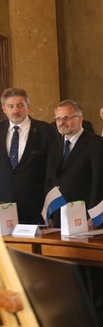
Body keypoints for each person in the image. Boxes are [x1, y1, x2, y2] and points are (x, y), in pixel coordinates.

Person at [46, 99, 103, 326]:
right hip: (60, 216)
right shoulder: (55, 145)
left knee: (93, 267)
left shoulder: (96, 143)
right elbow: (50, 180)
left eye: (67, 117)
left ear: (79, 119)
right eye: (58, 118)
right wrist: (47, 212)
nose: (62, 122)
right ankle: (79, 310)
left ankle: (101, 314)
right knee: (70, 266)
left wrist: (94, 216)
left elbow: (100, 181)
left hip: (87, 217)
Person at [0, 87, 56, 224]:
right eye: (11, 106)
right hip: (4, 206)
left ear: (28, 107)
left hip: (37, 208)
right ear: (3, 108)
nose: (16, 110)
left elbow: (53, 170)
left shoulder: (46, 131)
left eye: (20, 105)